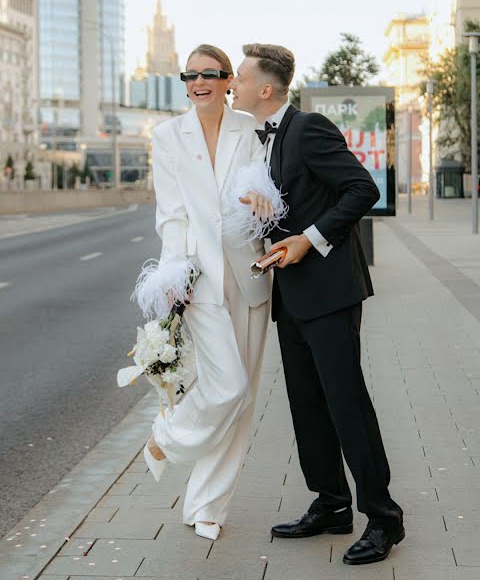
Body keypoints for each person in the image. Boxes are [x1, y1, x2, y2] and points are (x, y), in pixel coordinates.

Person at [230, 43, 404, 565]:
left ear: (266, 89)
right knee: (308, 405)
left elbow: (359, 189)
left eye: (239, 78)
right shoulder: (258, 140)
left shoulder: (308, 128)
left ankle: (384, 518)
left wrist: (308, 238)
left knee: (346, 403)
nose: (232, 85)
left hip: (329, 290)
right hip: (291, 293)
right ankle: (331, 504)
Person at [144, 44, 273, 541]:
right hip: (197, 279)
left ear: (226, 81)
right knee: (228, 387)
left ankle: (207, 506)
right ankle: (167, 439)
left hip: (249, 275)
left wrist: (263, 198)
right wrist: (173, 277)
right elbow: (171, 213)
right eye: (190, 76)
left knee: (244, 397)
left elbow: (261, 186)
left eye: (210, 75)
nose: (199, 83)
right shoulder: (167, 136)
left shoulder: (250, 130)